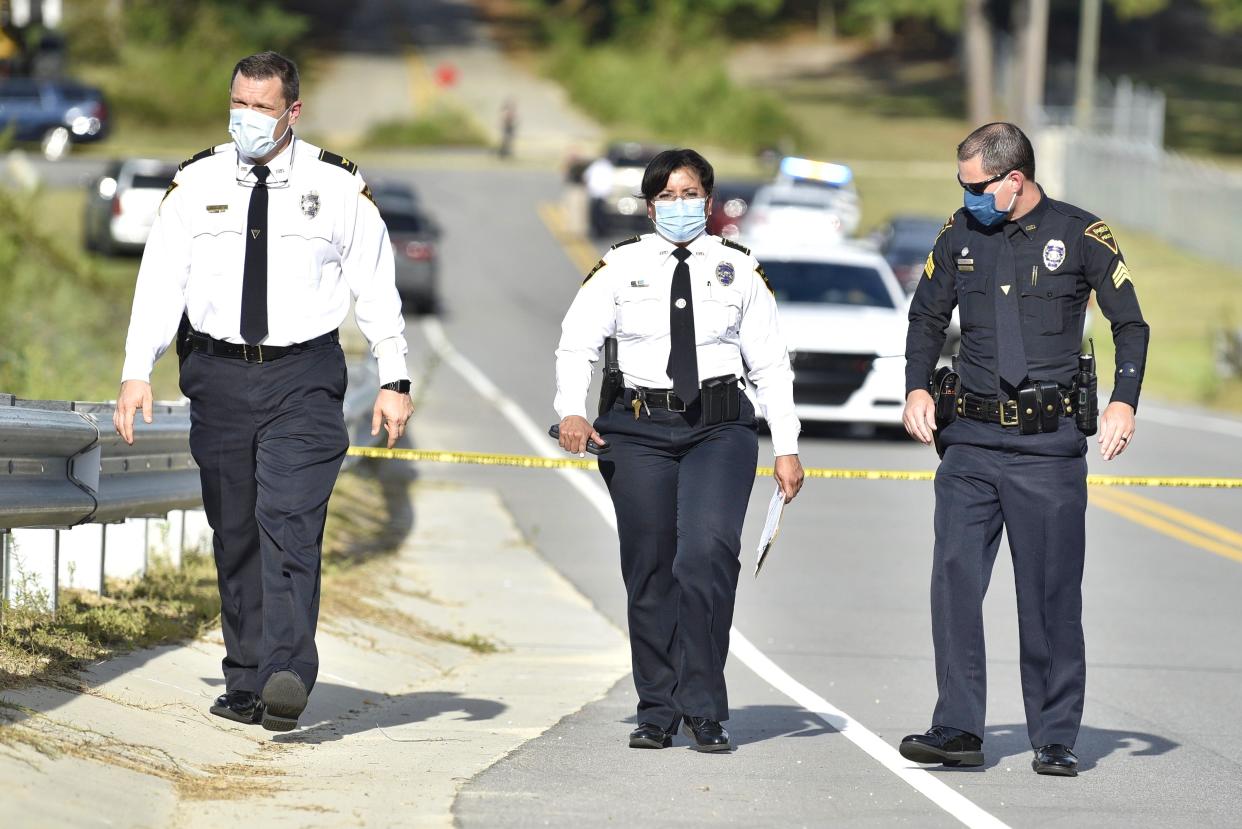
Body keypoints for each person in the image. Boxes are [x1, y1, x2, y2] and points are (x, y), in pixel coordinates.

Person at [113, 51, 413, 732]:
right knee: (236, 526)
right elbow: (161, 282)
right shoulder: (195, 182)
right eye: (238, 104)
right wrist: (138, 369)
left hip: (302, 377)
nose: (247, 119)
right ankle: (246, 677)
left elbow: (376, 286)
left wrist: (394, 378)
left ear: (292, 113)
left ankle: (286, 670)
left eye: (262, 108)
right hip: (215, 375)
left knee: (289, 519)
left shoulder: (336, 187)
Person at [899, 122, 1150, 776]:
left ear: (1014, 179)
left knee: (1049, 594)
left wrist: (1124, 399)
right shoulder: (959, 235)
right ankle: (957, 728)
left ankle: (1055, 735)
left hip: (1047, 445)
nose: (967, 196)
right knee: (954, 578)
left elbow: (1131, 322)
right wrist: (916, 388)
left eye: (977, 185)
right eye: (963, 185)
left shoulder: (1081, 233)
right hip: (972, 441)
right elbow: (926, 314)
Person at [554, 148, 804, 752]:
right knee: (651, 568)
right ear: (649, 206)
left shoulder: (739, 267)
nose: (678, 206)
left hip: (719, 430)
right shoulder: (619, 265)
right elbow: (576, 343)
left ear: (709, 202)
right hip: (637, 430)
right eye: (666, 197)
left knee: (707, 557)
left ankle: (705, 706)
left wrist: (786, 445)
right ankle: (657, 708)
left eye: (689, 194)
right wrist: (570, 408)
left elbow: (769, 362)